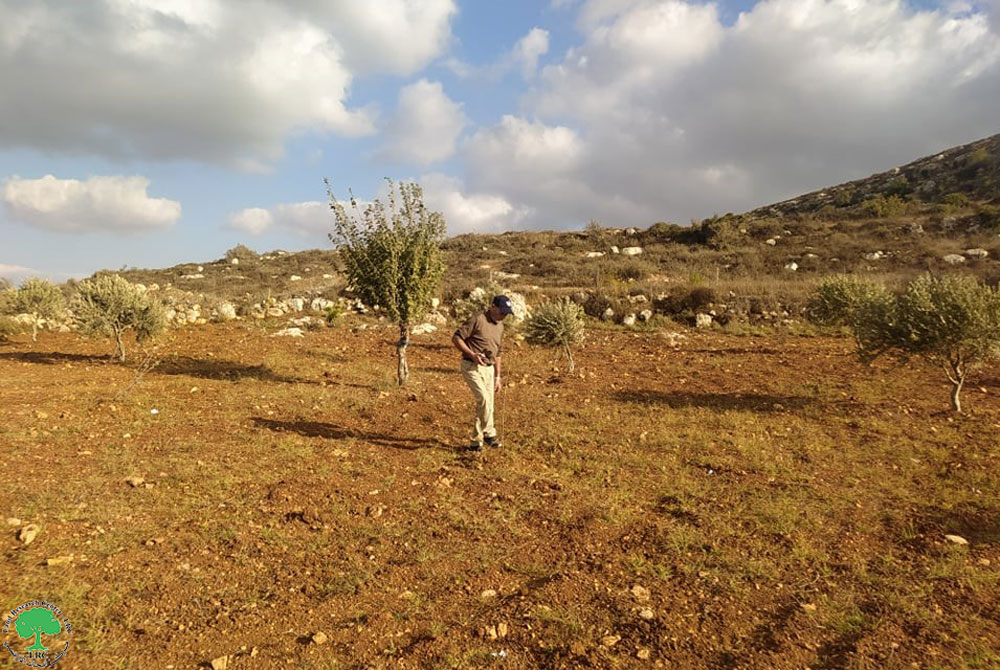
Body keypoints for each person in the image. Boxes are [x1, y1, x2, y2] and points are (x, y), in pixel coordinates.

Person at [452, 295, 514, 451]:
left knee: (486, 405)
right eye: (502, 312)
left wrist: (497, 376)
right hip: (471, 366)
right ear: (492, 306)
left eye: (506, 313)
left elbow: (498, 353)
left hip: (489, 369)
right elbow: (456, 338)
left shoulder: (500, 326)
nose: (504, 316)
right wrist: (472, 354)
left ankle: (475, 442)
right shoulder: (477, 320)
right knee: (484, 400)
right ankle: (489, 434)